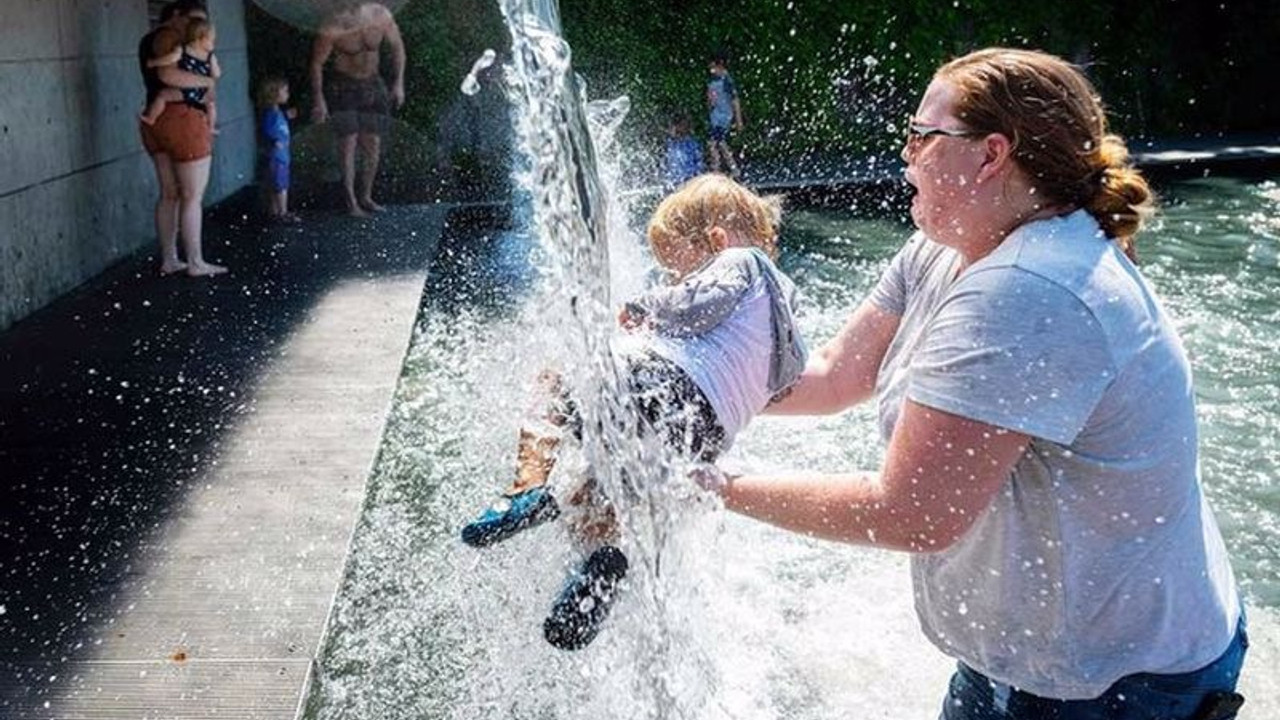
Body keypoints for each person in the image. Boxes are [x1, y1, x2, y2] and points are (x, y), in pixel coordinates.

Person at [698, 48, 1247, 720]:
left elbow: (910, 512)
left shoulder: (1033, 291)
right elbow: (833, 376)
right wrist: (684, 383)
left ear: (991, 155)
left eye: (923, 137)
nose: (905, 153)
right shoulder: (943, 245)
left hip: (1118, 687)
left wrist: (708, 485)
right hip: (1026, 660)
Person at [461, 174, 808, 651]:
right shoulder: (785, 315)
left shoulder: (739, 261)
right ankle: (604, 562)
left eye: (677, 270)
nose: (673, 280)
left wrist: (647, 306)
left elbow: (701, 302)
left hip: (661, 392)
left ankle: (525, 488)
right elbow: (785, 379)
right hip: (698, 439)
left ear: (716, 241)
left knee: (557, 375)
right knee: (595, 494)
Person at [138, 0, 227, 277]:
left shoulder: (149, 40)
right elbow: (168, 73)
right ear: (176, 16)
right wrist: (207, 82)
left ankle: (170, 258)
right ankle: (196, 262)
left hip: (158, 118)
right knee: (191, 195)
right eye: (193, 20)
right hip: (183, 118)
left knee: (170, 194)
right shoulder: (171, 37)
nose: (195, 28)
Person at [309, 1, 406, 217]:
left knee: (373, 143)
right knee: (348, 143)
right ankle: (350, 201)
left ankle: (366, 196)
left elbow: (398, 47)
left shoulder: (380, 15)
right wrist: (319, 99)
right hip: (344, 86)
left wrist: (399, 83)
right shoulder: (333, 25)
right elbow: (317, 64)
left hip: (373, 84)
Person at [139, 19, 221, 134]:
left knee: (163, 96)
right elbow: (216, 74)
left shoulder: (182, 49)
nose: (213, 44)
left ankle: (151, 118)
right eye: (212, 40)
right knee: (211, 106)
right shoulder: (210, 57)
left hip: (185, 90)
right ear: (201, 39)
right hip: (201, 92)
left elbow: (170, 59)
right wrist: (211, 77)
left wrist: (154, 62)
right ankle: (211, 127)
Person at [257, 77, 299, 223]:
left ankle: (275, 211)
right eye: (284, 91)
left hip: (281, 154)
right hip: (278, 155)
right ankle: (283, 212)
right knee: (281, 185)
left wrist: (287, 116)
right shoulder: (271, 113)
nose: (287, 94)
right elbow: (267, 129)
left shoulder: (276, 112)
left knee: (277, 183)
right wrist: (274, 141)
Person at [706, 50, 743, 179]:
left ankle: (717, 169)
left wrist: (738, 120)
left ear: (720, 65)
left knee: (714, 143)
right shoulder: (712, 80)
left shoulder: (727, 80)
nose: (711, 70)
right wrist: (710, 101)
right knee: (719, 143)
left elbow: (735, 100)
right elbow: (710, 98)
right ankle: (731, 168)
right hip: (715, 117)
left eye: (713, 67)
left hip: (724, 117)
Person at [663, 111, 704, 189]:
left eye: (686, 126)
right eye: (682, 125)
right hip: (673, 182)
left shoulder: (692, 143)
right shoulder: (669, 143)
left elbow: (699, 163)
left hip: (690, 180)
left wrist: (697, 178)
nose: (685, 128)